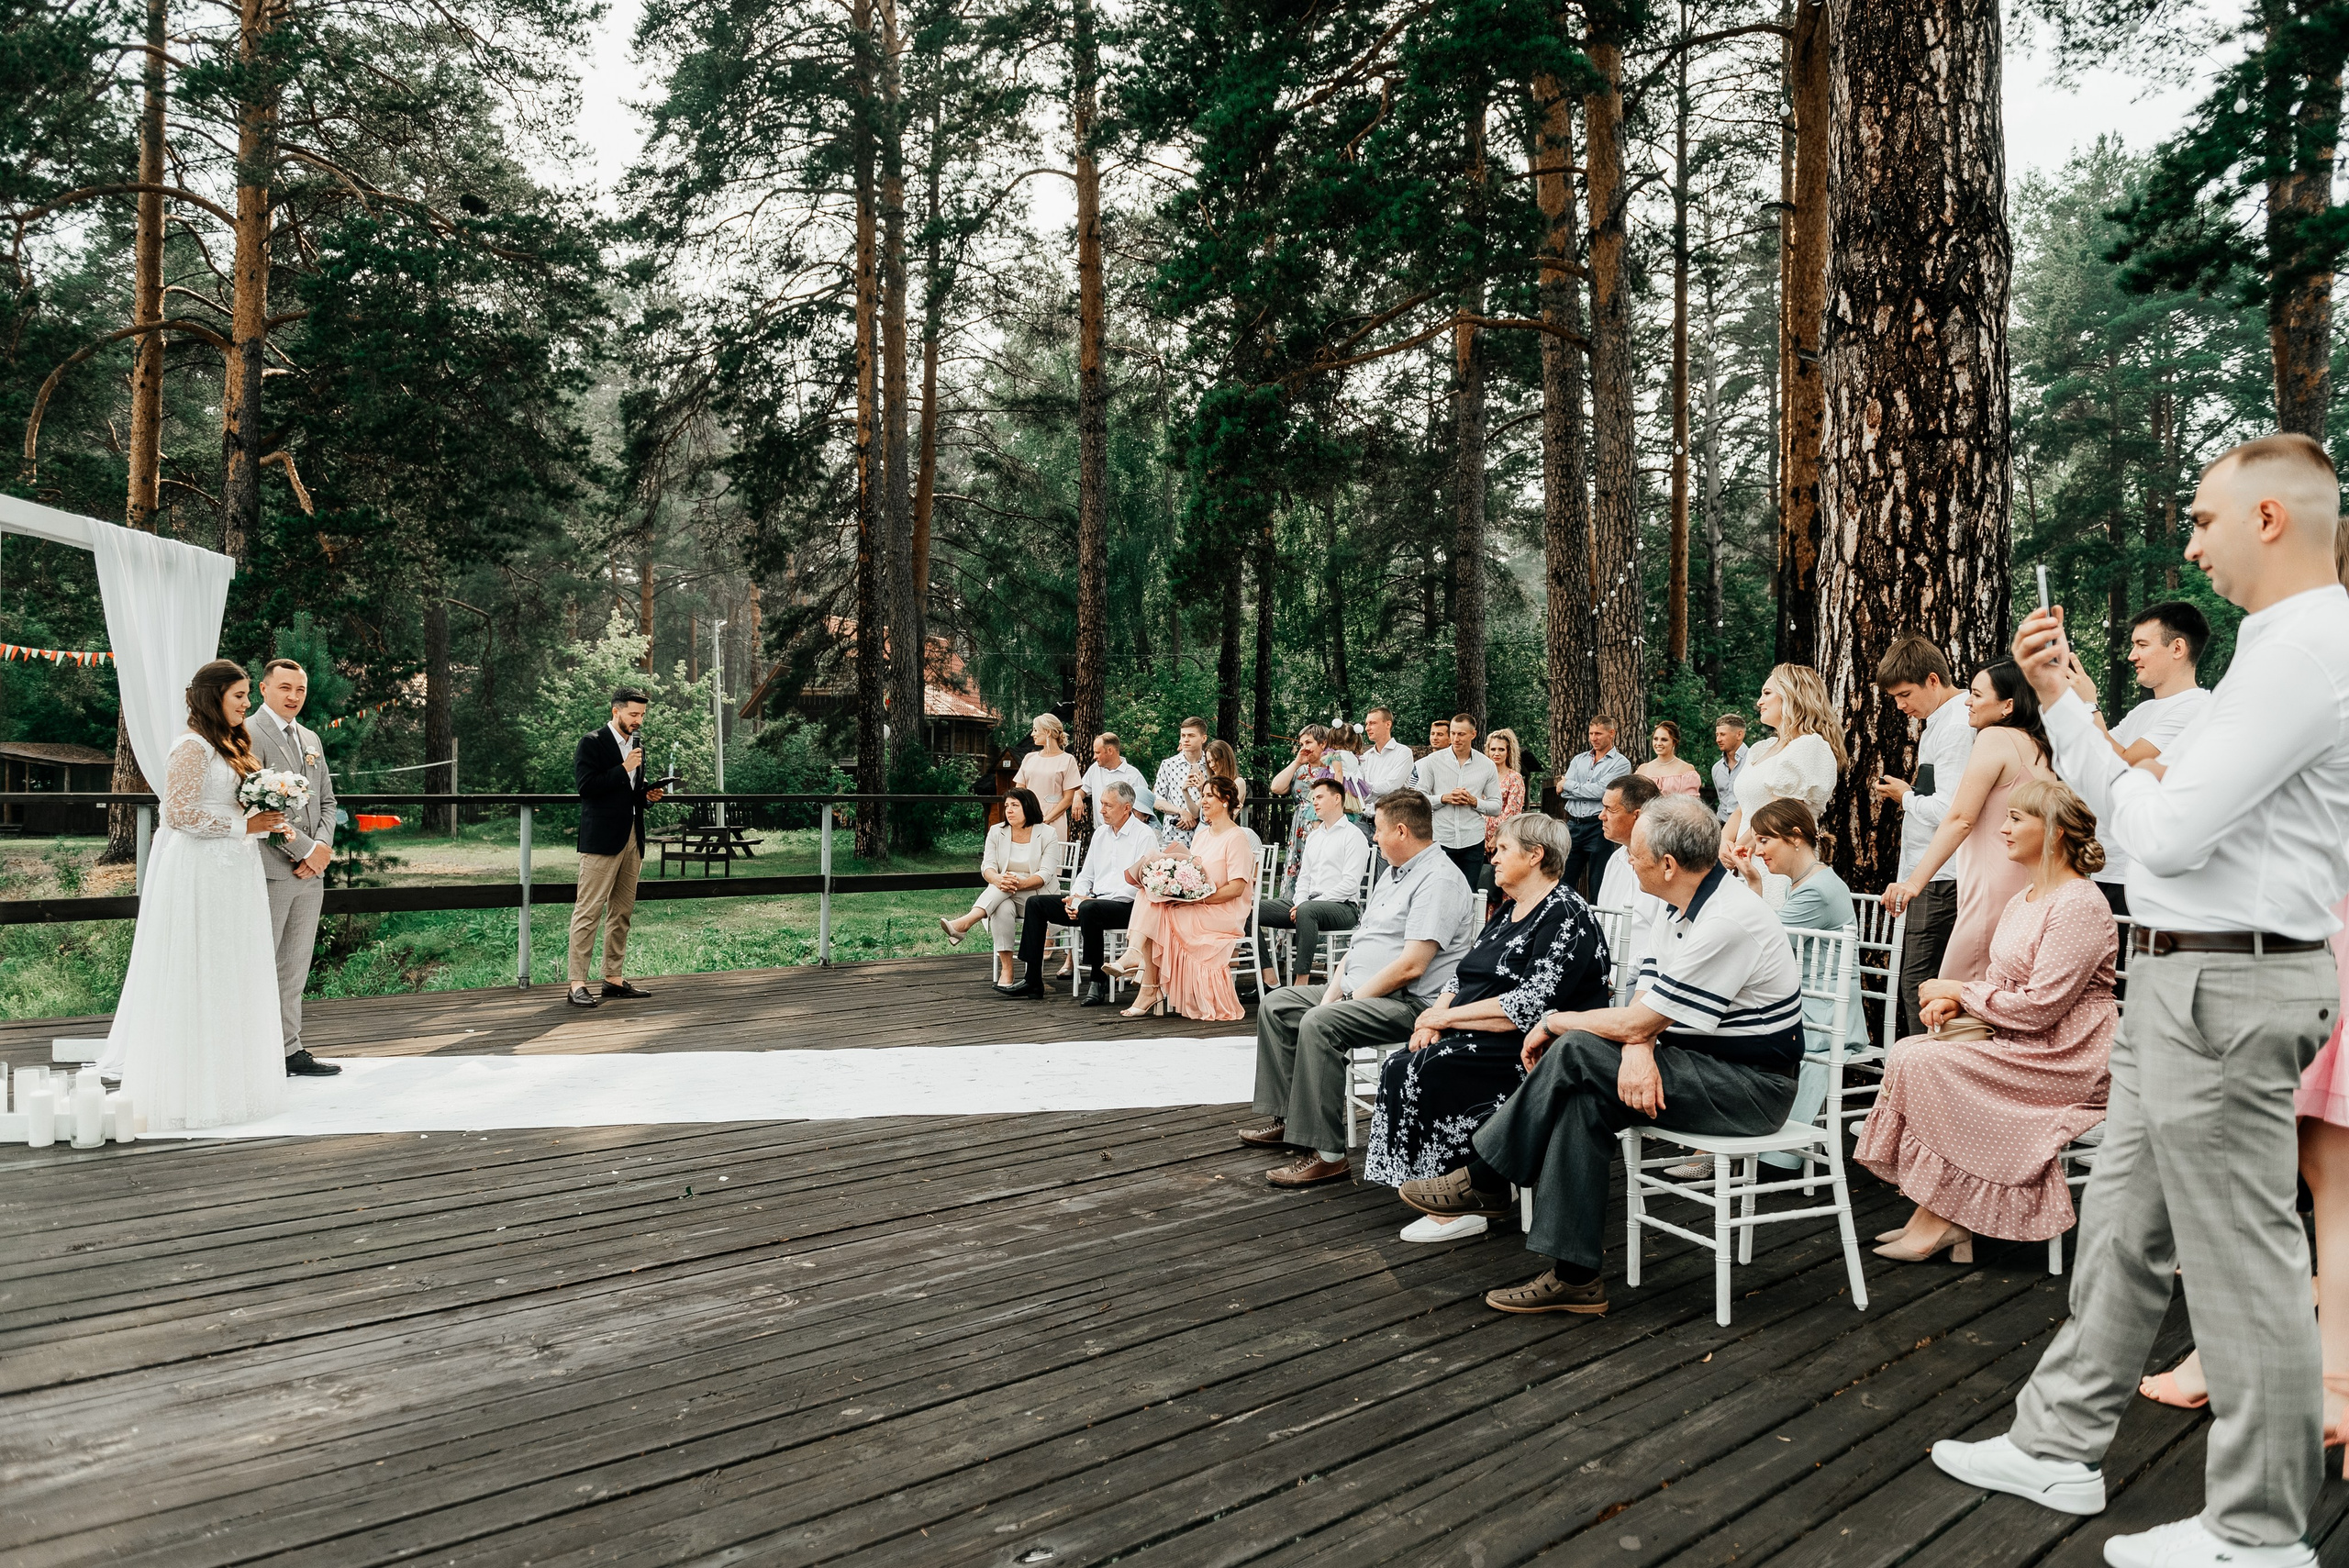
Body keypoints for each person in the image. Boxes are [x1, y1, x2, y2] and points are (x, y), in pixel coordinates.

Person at [1930, 433, 2349, 1568]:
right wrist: (2067, 699)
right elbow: (2158, 821)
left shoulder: (2305, 648)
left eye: (2205, 519)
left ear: (2268, 517)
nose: (2191, 541)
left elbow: (2156, 829)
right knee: (2121, 1223)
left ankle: (2257, 1529)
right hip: (2185, 972)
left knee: (2240, 1260)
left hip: (2228, 974)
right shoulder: (2283, 646)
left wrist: (2070, 714)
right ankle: (2057, 1440)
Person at [1397, 795, 1802, 1315]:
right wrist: (1639, 1048)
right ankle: (1575, 1278)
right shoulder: (1676, 905)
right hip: (1692, 1063)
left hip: (1749, 1088)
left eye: (1634, 853)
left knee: (1574, 1047)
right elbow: (1644, 1003)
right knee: (1581, 1102)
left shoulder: (1728, 921)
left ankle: (1487, 1178)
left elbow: (1640, 1019)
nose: (1626, 861)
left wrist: (1556, 1020)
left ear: (1668, 864)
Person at [1855, 779, 2117, 1263]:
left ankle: (1942, 1218)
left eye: (2017, 818)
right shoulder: (2025, 899)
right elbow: (2001, 979)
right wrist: (1959, 1006)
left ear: (2056, 831)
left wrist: (1959, 990)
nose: (2002, 828)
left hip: (2065, 1055)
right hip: (2020, 1041)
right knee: (1912, 1050)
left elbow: (2043, 1006)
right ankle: (1939, 1213)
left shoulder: (2080, 903)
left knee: (1928, 1062)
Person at [1365, 814, 1611, 1242]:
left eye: (1502, 849)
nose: (1491, 856)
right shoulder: (1510, 909)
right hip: (1479, 1028)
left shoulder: (1567, 914)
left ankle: (1470, 1200)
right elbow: (1463, 975)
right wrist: (1433, 1018)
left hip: (1537, 1047)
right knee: (1403, 1061)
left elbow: (1531, 1003)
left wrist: (1444, 1018)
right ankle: (1439, 1185)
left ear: (1535, 856)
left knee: (1429, 1069)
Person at [1241, 789, 1477, 1189]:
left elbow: (1411, 966)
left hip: (1411, 1003)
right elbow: (1359, 945)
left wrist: (1347, 1001)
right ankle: (1290, 1119)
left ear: (1401, 830)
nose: (1374, 838)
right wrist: (1335, 991)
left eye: (1379, 830)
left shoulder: (1439, 880)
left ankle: (1328, 1155)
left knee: (1319, 1024)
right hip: (1363, 989)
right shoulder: (1393, 871)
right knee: (1279, 1005)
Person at [104, 659, 292, 1129]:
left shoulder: (229, 744)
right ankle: (190, 1087)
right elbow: (178, 815)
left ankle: (234, 1085)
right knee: (199, 966)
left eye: (248, 696)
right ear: (214, 697)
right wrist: (242, 825)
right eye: (240, 696)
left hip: (236, 866)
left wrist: (266, 813)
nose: (247, 705)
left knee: (233, 968)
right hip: (201, 869)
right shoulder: (190, 747)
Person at [1879, 662, 2055, 986]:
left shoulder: (1994, 738)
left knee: (1958, 993)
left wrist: (1913, 883)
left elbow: (1960, 818)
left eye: (1976, 694)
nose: (1967, 702)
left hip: (1991, 888)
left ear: (2007, 706)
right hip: (2030, 885)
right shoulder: (2040, 745)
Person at [1733, 797, 1869, 1170]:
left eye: (1764, 840)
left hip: (1823, 1012)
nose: (1758, 850)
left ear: (1795, 837)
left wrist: (1752, 884)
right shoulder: (1811, 880)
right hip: (1813, 1001)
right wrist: (1754, 880)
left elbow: (1762, 944)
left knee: (1731, 1028)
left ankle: (1739, 1142)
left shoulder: (1816, 891)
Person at [2069, 601, 2215, 917]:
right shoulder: (2145, 711)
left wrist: (2089, 705)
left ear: (2177, 648)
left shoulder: (2195, 708)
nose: (2131, 656)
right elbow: (2096, 759)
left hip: (2140, 873)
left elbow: (2121, 765)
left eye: (2141, 645)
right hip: (2108, 868)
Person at [1869, 635, 1976, 1037]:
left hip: (1942, 877)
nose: (1900, 705)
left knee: (1920, 983)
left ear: (1933, 680)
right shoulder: (1940, 723)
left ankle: (1925, 1082)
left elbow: (1952, 810)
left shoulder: (1955, 726)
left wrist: (1906, 797)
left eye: (1904, 694)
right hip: (1932, 874)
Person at [245, 657, 340, 1077]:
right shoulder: (248, 734)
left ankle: (290, 1049)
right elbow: (252, 805)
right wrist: (303, 850)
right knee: (260, 963)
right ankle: (254, 1051)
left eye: (300, 689)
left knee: (295, 965)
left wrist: (321, 847)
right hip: (271, 867)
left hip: (310, 872)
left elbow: (329, 801)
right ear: (264, 689)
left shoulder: (311, 738)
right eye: (284, 688)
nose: (293, 697)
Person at [1005, 780, 1156, 1006]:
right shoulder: (1101, 834)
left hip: (1127, 906)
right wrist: (1074, 898)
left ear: (1126, 808)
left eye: (1108, 805)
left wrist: (1089, 901)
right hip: (1092, 904)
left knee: (1090, 908)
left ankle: (1097, 978)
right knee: (1036, 904)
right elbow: (1086, 876)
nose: (1102, 809)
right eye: (1101, 803)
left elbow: (1137, 885)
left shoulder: (1144, 835)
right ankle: (1032, 979)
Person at [1118, 775, 1257, 1020]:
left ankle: (1145, 980)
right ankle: (1142, 974)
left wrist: (1199, 900)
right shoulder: (1202, 835)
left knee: (1156, 911)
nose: (1202, 801)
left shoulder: (1237, 838)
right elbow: (1193, 873)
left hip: (1222, 910)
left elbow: (1236, 888)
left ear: (1226, 801)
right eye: (1202, 795)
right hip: (1196, 903)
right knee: (1148, 894)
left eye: (1209, 796)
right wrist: (1173, 885)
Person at [567, 685, 669, 1009]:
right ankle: (577, 984)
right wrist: (623, 768)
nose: (638, 720)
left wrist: (647, 795)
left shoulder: (637, 747)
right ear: (616, 711)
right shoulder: (592, 742)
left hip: (632, 837)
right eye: (633, 714)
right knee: (589, 911)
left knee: (622, 912)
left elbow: (630, 793)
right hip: (601, 841)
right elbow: (587, 788)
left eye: (642, 715)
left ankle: (612, 978)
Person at [1257, 776, 1370, 991]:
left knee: (1308, 910)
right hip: (1306, 905)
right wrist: (1299, 902)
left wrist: (1307, 904)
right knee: (1249, 909)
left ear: (1337, 799)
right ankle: (1268, 975)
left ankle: (1301, 984)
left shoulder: (1353, 836)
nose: (1314, 803)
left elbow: (1350, 884)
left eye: (1319, 797)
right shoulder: (1314, 837)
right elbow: (1304, 879)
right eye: (1313, 798)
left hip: (1343, 908)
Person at [940, 786, 1061, 984]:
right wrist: (997, 879)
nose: (1009, 810)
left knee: (1001, 892)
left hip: (1039, 897)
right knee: (1001, 907)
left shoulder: (1048, 833)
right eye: (1006, 806)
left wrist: (1018, 883)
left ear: (1028, 807)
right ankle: (1007, 970)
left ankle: (965, 923)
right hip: (1004, 891)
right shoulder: (997, 831)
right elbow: (987, 866)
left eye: (1015, 805)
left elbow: (1045, 875)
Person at [1723, 663, 1846, 850]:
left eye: (1767, 693)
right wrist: (1723, 843)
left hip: (1779, 857)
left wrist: (1738, 850)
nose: (1759, 702)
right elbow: (1743, 808)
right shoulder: (1760, 749)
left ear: (1791, 695)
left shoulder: (1809, 746)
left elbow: (1779, 813)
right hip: (1744, 856)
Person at [1416, 712, 1504, 889]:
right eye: (1453, 733)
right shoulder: (1432, 762)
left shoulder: (1486, 765)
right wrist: (1443, 798)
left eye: (1461, 734)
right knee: (1439, 891)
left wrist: (1474, 801)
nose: (1456, 738)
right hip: (1440, 839)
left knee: (1468, 893)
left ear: (1473, 734)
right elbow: (1418, 798)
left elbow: (1496, 806)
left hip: (1472, 840)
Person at [1272, 724, 1353, 900]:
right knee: (1296, 873)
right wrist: (1296, 762)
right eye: (1301, 744)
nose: (1304, 748)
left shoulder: (1331, 768)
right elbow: (1276, 787)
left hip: (1321, 827)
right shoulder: (1300, 770)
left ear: (1323, 743)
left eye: (1308, 742)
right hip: (1299, 829)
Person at [1560, 716, 1633, 898]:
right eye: (1591, 733)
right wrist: (1573, 788)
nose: (1594, 738)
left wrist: (1569, 784)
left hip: (1599, 827)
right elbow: (1562, 793)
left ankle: (1598, 924)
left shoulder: (1621, 763)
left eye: (1598, 733)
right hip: (1573, 825)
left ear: (1611, 733)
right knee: (1563, 878)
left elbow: (1602, 792)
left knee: (1598, 883)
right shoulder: (1578, 760)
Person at [1013, 714, 1083, 831]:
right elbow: (1019, 792)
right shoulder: (1029, 758)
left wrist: (1045, 820)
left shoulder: (1067, 760)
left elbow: (1068, 798)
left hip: (1054, 821)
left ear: (1048, 732)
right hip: (1028, 819)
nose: (1032, 734)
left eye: (1035, 730)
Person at [1152, 717, 1213, 846]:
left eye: (1191, 735)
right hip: (1172, 834)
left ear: (1203, 738)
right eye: (1183, 735)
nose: (1186, 739)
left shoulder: (1211, 765)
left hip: (1204, 835)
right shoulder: (1168, 764)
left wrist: (1195, 817)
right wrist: (1181, 812)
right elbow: (1156, 800)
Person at [1073, 731, 1152, 828]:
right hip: (1100, 832)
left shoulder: (1134, 777)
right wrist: (1077, 797)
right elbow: (1082, 790)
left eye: (1097, 752)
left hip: (1126, 834)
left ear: (1110, 750)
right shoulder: (1095, 769)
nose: (1094, 757)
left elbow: (1142, 811)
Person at [1482, 728, 1527, 870]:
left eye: (1501, 749)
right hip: (1479, 839)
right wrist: (1481, 838)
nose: (1496, 753)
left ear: (1508, 752)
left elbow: (1512, 812)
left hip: (1504, 839)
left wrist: (1496, 838)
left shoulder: (1514, 778)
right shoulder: (1481, 776)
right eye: (1493, 749)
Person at [1354, 705, 1419, 804]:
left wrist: (1365, 786)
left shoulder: (1403, 752)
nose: (1367, 728)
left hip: (1391, 817)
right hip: (1363, 817)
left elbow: (1391, 788)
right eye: (1366, 724)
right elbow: (1358, 791)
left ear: (1388, 724)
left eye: (1372, 723)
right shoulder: (1365, 757)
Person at [1638, 720, 1704, 796]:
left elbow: (1690, 804)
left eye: (1664, 740)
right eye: (1655, 739)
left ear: (1674, 742)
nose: (1658, 743)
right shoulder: (1643, 769)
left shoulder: (1686, 770)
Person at [1710, 714, 1749, 823]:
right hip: (1721, 824)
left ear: (1739, 735)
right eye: (1717, 735)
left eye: (1722, 734)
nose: (1718, 739)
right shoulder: (1716, 768)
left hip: (1746, 825)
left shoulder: (1754, 761)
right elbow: (1722, 801)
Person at [1204, 739, 1248, 811]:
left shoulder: (1238, 782)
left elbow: (1230, 813)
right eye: (1209, 762)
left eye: (1216, 760)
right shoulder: (1211, 783)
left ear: (1225, 758)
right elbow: (1196, 812)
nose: (1212, 765)